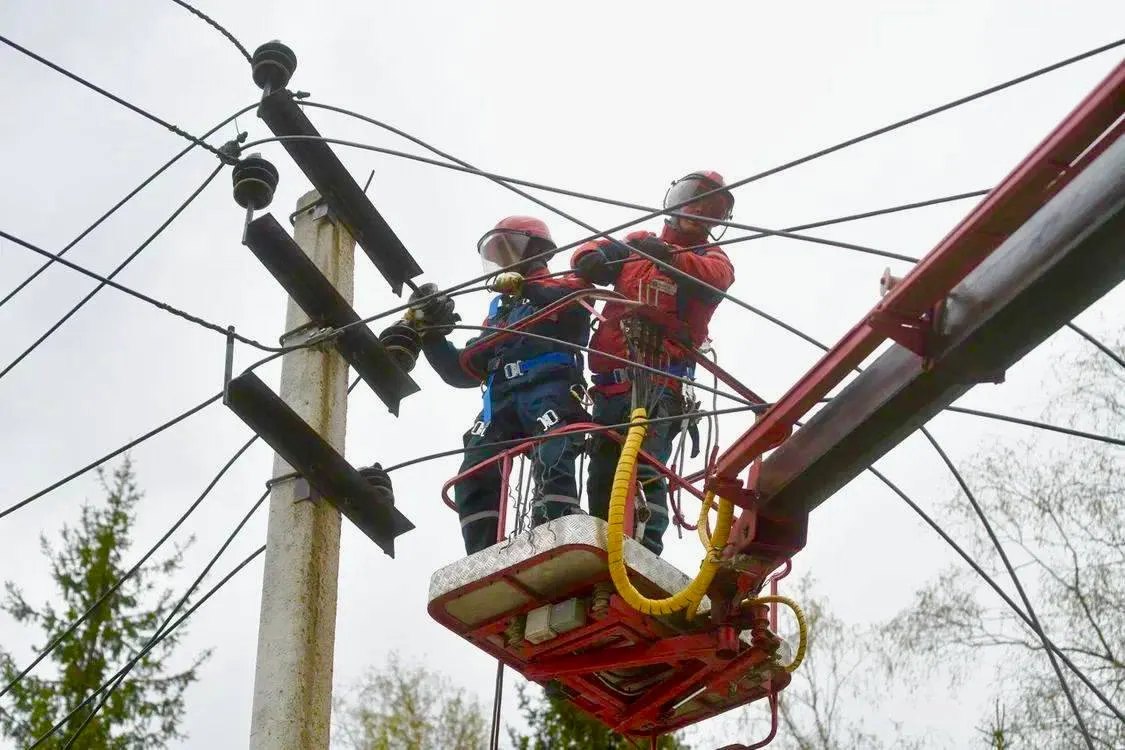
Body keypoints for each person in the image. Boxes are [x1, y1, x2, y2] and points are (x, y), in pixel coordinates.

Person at [570, 171, 735, 556]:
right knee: (604, 476)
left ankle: (645, 553)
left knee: (645, 468)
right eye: (693, 199)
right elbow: (595, 250)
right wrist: (588, 258)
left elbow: (714, 277)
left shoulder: (711, 259)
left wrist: (671, 257)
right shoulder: (639, 245)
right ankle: (603, 550)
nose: (696, 211)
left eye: (709, 208)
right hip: (611, 387)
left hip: (660, 385)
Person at [408, 216, 592, 555]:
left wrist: (527, 288)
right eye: (497, 253)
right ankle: (482, 553)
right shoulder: (500, 311)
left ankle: (558, 523)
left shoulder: (564, 286)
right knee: (475, 467)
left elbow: (576, 308)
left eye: (509, 248)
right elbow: (462, 369)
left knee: (554, 447)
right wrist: (431, 334)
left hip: (547, 387)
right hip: (502, 399)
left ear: (536, 250)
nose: (503, 259)